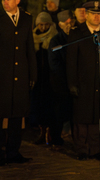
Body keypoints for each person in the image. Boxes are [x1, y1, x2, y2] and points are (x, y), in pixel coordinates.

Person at [0, 0, 37, 166]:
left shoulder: (26, 19)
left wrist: (33, 73)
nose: (5, 2)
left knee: (18, 115)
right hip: (2, 76)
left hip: (21, 75)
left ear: (17, 1)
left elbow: (29, 48)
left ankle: (13, 151)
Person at [67, 1, 100, 161]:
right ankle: (81, 148)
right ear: (86, 15)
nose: (97, 17)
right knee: (81, 117)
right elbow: (71, 61)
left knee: (98, 116)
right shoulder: (77, 33)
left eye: (99, 14)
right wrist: (72, 83)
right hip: (83, 83)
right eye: (93, 14)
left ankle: (96, 149)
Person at [48, 10, 75, 146]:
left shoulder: (76, 38)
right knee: (58, 113)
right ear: (60, 24)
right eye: (66, 23)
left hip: (74, 83)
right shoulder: (56, 40)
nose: (69, 25)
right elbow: (54, 63)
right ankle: (55, 138)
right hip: (60, 83)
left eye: (71, 22)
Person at [31, 12, 58, 145]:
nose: (43, 27)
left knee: (50, 106)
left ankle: (50, 134)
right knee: (38, 106)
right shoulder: (33, 37)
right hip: (37, 78)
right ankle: (41, 132)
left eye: (45, 24)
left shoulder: (54, 37)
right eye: (40, 24)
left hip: (50, 78)